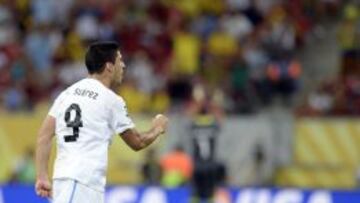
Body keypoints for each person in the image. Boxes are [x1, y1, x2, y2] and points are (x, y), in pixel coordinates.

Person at [34, 41, 168, 203]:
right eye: (120, 60)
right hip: (82, 181)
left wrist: (42, 176)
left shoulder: (66, 94)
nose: (123, 65)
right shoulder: (110, 100)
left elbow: (44, 136)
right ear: (109, 67)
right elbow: (137, 142)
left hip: (74, 179)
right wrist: (157, 128)